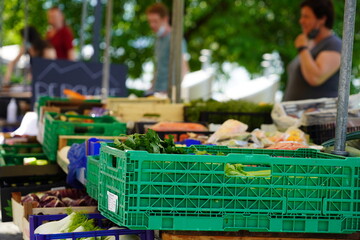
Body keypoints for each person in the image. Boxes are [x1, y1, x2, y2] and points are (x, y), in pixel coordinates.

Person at [283, 0, 341, 101]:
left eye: (306, 16)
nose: (301, 21)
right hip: (296, 115)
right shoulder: (310, 44)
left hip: (318, 115)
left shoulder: (334, 44)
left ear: (322, 19)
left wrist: (302, 49)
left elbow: (315, 78)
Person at [146, 3, 189, 94]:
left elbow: (184, 68)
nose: (152, 25)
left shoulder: (175, 39)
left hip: (168, 93)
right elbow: (158, 67)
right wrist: (151, 87)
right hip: (156, 91)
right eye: (150, 21)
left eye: (155, 21)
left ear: (165, 19)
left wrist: (174, 92)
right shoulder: (158, 40)